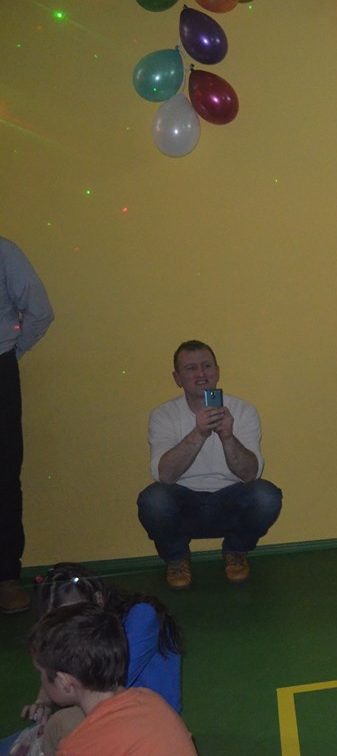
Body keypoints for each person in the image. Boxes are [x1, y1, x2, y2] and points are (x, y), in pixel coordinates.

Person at [137, 340, 282, 590]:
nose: (201, 374)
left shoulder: (243, 410)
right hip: (184, 502)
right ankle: (176, 558)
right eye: (191, 368)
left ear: (217, 371)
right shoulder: (163, 415)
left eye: (206, 366)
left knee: (267, 496)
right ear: (177, 378)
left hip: (230, 499)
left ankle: (236, 551)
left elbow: (251, 475)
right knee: (153, 499)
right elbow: (165, 475)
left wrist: (228, 437)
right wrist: (199, 433)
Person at [3, 564, 183, 756]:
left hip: (131, 714)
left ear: (98, 599)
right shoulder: (95, 631)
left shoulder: (141, 617)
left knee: (57, 731)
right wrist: (43, 701)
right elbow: (65, 666)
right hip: (122, 708)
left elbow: (95, 676)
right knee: (54, 725)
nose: (66, 629)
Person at [25, 602, 196, 756]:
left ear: (64, 682)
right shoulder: (149, 697)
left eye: (41, 672)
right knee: (59, 722)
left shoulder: (76, 749)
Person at [0, 236, 54, 615]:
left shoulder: (3, 252)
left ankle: (6, 578)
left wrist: (11, 354)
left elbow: (39, 311)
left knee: (3, 476)